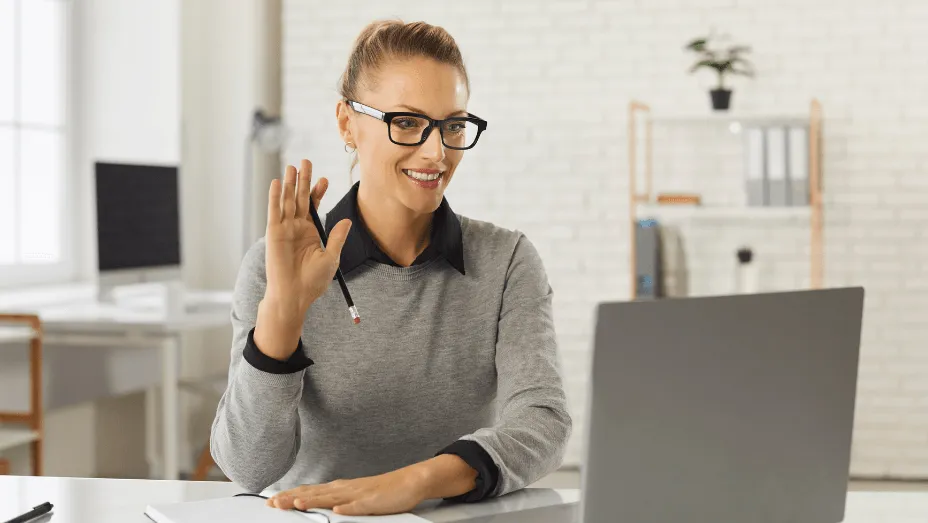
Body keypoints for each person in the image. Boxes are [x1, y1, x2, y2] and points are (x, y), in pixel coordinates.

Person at [210, 19, 572, 517]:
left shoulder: (506, 260)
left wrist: (416, 482)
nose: (436, 152)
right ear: (346, 123)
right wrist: (282, 314)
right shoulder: (274, 265)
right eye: (405, 122)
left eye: (453, 125)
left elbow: (543, 421)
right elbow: (248, 469)